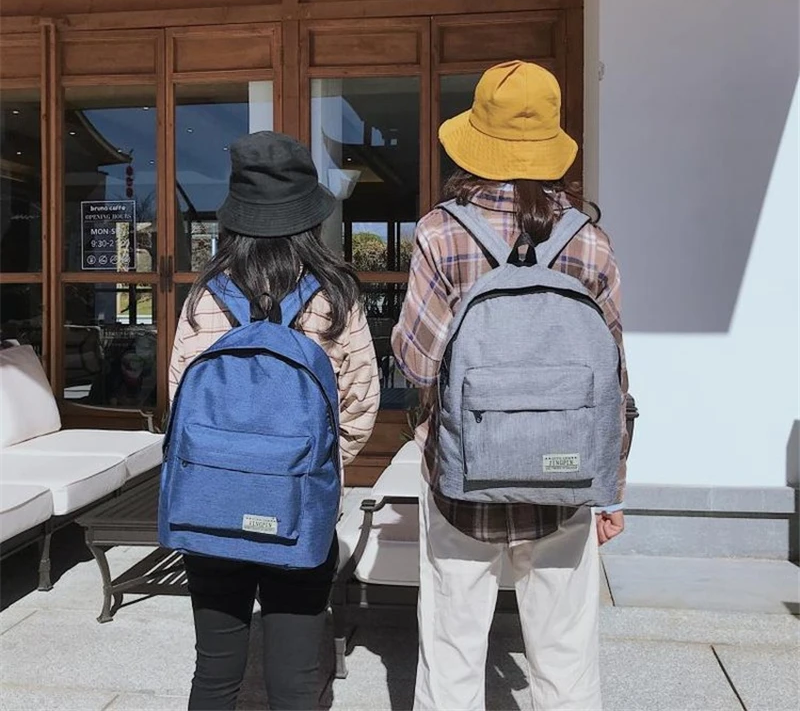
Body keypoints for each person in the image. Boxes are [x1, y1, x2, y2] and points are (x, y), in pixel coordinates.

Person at [392, 61, 630, 711]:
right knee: (566, 663)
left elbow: (417, 363)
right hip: (566, 478)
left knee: (452, 658)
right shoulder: (591, 243)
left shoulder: (441, 233)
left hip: (461, 479)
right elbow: (613, 375)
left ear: (477, 139)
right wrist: (612, 485)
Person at [168, 131, 380, 711]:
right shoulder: (335, 296)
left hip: (211, 502)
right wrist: (313, 469)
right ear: (308, 217)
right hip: (299, 506)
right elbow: (360, 405)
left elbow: (179, 401)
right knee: (295, 676)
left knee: (214, 672)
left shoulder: (204, 296)